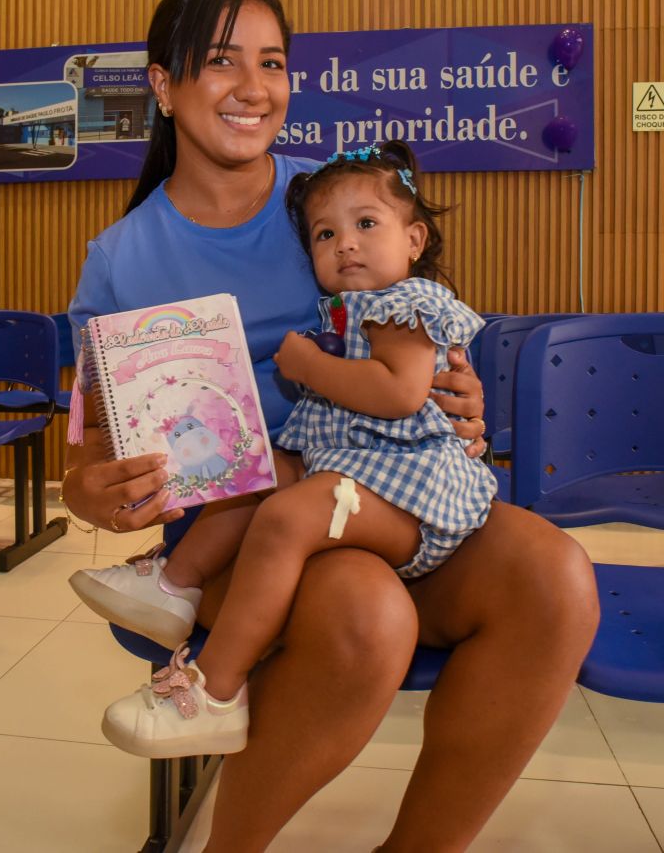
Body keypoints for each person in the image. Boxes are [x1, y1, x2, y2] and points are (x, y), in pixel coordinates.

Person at [62, 0, 599, 852]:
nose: (254, 88)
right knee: (364, 611)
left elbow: (428, 343)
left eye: (272, 63)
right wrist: (90, 494)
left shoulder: (339, 199)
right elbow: (84, 447)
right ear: (163, 84)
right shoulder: (121, 260)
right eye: (222, 61)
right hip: (243, 522)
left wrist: (457, 395)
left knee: (556, 578)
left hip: (391, 487)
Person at [79, 139, 499, 759]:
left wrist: (306, 365)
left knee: (287, 513)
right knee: (265, 469)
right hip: (360, 470)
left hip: (413, 497)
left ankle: (216, 691)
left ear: (414, 240)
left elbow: (400, 395)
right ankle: (174, 585)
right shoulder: (350, 308)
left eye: (365, 225)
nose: (345, 244)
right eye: (325, 235)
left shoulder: (406, 305)